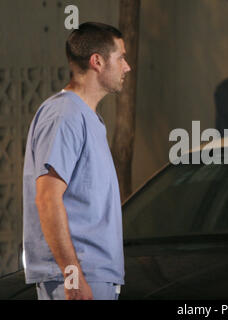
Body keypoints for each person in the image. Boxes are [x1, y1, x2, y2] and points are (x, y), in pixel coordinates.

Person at [22, 22, 131, 300]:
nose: (126, 67)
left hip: (93, 277)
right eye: (120, 57)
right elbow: (47, 199)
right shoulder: (66, 114)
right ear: (97, 61)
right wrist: (73, 276)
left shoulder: (85, 116)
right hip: (75, 280)